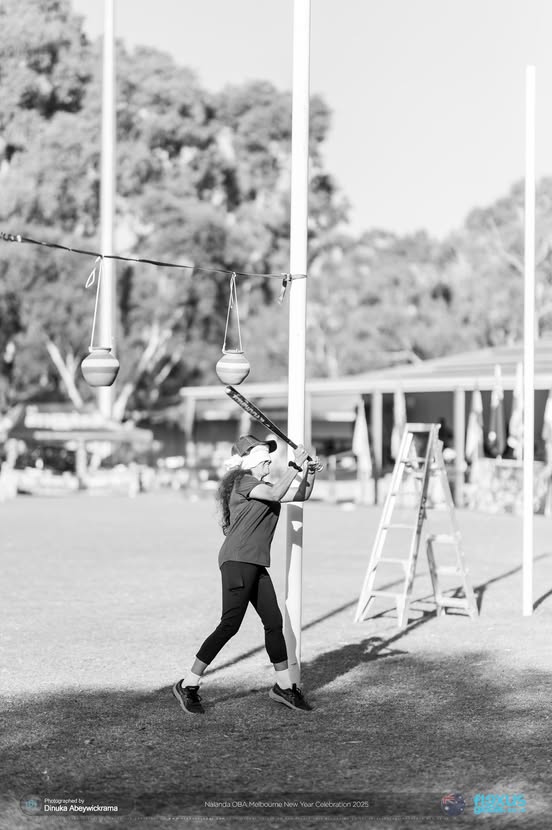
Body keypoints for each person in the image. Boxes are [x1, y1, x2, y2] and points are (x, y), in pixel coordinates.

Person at [173, 434, 320, 715]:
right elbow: (276, 495)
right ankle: (188, 684)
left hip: (255, 563)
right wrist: (295, 466)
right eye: (265, 459)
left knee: (273, 623)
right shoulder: (243, 482)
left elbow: (301, 495)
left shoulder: (264, 487)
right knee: (230, 624)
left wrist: (310, 471)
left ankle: (283, 686)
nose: (269, 463)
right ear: (252, 461)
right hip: (238, 561)